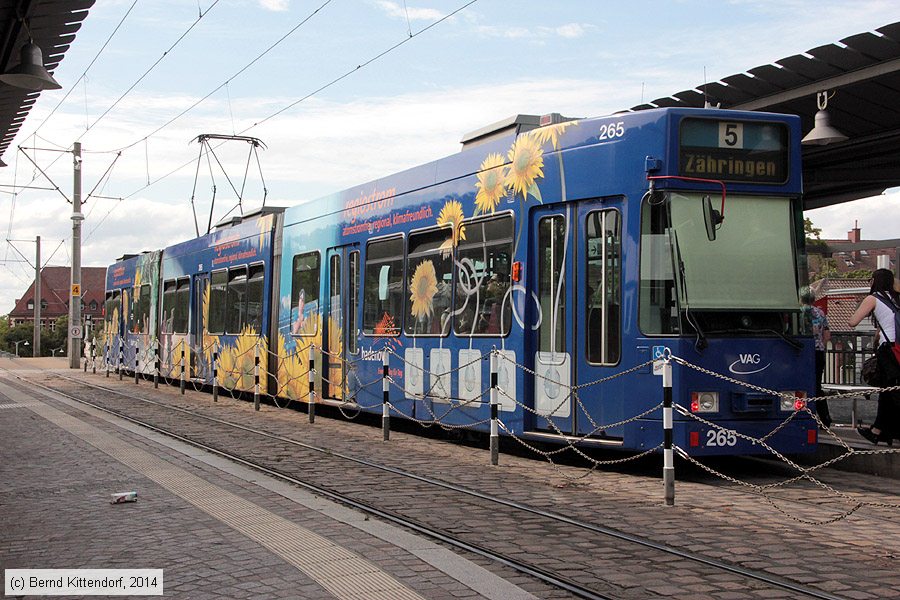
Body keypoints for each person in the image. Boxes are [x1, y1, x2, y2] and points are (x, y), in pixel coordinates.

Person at [848, 268, 900, 445]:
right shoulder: (896, 298)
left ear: (875, 281)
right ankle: (881, 431)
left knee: (891, 391)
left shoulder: (873, 298)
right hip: (898, 348)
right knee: (889, 390)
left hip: (889, 350)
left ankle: (880, 431)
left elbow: (853, 321)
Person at [801, 287, 831, 427]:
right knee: (817, 385)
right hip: (818, 351)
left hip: (802, 352)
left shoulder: (799, 313)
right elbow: (827, 334)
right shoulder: (820, 312)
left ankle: (806, 415)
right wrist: (821, 345)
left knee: (802, 385)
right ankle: (825, 418)